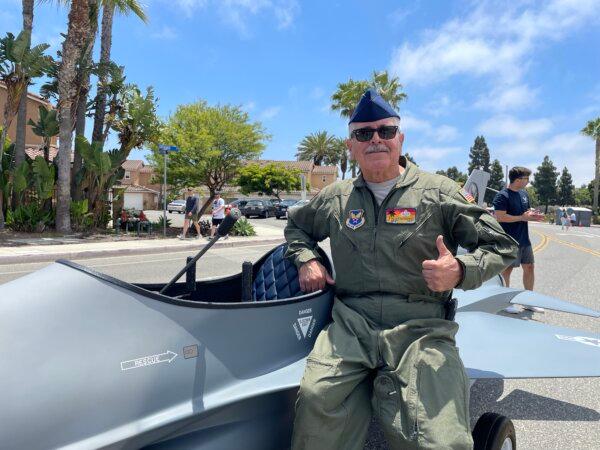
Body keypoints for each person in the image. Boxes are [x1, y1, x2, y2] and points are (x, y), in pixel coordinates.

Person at [285, 88, 518, 450]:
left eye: (385, 131)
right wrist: (307, 257)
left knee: (436, 439)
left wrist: (459, 269)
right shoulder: (335, 197)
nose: (376, 139)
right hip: (351, 324)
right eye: (364, 133)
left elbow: (502, 246)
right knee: (317, 401)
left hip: (421, 324)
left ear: (400, 138)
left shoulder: (438, 193)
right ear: (351, 145)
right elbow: (296, 227)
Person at [492, 167, 544, 313]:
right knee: (506, 271)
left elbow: (525, 212)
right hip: (508, 240)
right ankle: (504, 302)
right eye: (526, 178)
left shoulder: (524, 194)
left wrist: (532, 215)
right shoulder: (502, 196)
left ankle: (528, 301)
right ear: (518, 179)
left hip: (524, 239)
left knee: (529, 267)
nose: (528, 181)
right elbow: (500, 216)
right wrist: (522, 217)